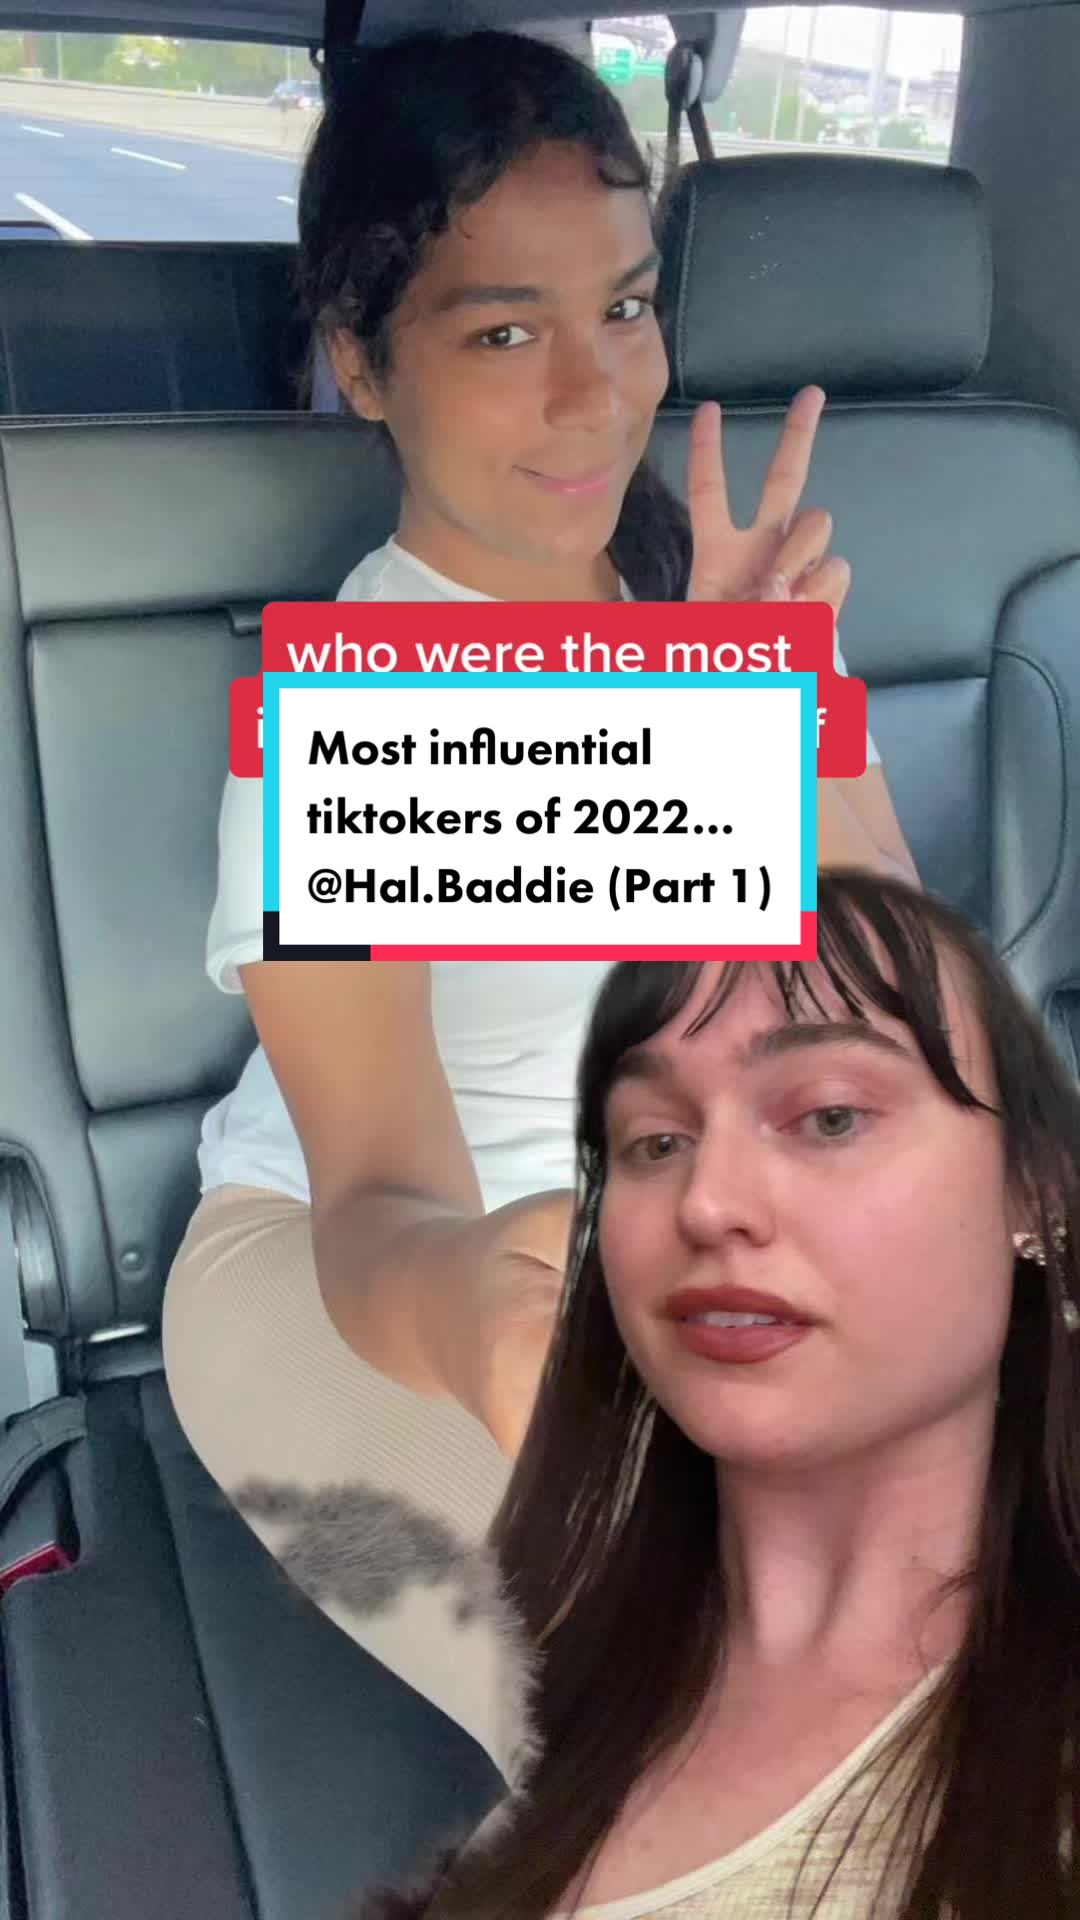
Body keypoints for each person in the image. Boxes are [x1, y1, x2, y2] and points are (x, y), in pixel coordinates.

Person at [163, 22, 916, 1780]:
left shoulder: (715, 610)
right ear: (363, 364)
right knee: (712, 1754)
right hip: (358, 1278)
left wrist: (776, 707)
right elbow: (382, 1188)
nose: (596, 393)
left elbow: (888, 1007)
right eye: (504, 332)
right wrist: (477, 1306)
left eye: (626, 308)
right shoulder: (360, 709)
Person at [338, 868, 1080, 1919]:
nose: (709, 1202)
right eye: (658, 1142)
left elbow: (877, 952)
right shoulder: (334, 766)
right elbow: (369, 1184)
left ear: (1036, 1187)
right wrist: (459, 1304)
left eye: (830, 1119)